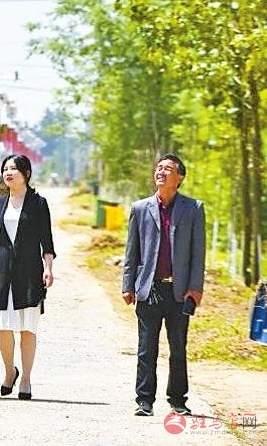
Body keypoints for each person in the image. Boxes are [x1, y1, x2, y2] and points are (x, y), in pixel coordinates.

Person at [122, 154, 205, 418]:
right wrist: (128, 285)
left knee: (178, 348)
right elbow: (132, 251)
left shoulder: (193, 208)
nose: (161, 172)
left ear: (179, 177)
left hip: (180, 291)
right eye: (158, 168)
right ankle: (144, 400)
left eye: (168, 169)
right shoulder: (140, 208)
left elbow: (198, 252)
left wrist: (196, 287)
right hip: (150, 289)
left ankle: (178, 400)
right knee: (146, 349)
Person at [0, 153, 55, 402]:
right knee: (4, 326)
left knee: (27, 327)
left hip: (29, 272)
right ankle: (9, 372)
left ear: (26, 174)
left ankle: (26, 378)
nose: (8, 173)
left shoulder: (38, 203)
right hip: (2, 273)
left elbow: (47, 240)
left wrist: (48, 268)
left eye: (14, 168)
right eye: (5, 169)